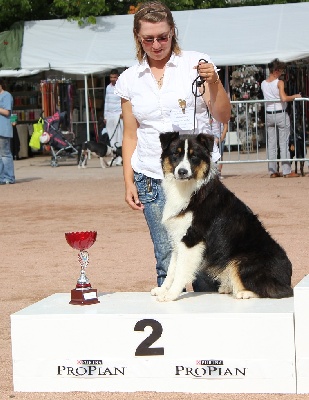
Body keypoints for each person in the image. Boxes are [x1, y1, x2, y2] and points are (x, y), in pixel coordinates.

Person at [115, 1, 230, 289]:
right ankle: (172, 319)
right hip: (153, 179)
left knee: (203, 258)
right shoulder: (129, 79)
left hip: (199, 180)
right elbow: (131, 134)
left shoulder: (198, 65)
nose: (157, 44)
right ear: (138, 38)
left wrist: (214, 83)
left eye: (163, 37)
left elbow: (223, 115)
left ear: (173, 32)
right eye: (149, 39)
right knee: (167, 257)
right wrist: (129, 180)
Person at [261, 58, 301, 178]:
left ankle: (272, 170)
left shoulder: (263, 83)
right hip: (280, 113)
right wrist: (295, 96)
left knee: (271, 144)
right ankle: (286, 171)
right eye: (281, 70)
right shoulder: (279, 82)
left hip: (269, 114)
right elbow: (283, 98)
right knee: (283, 143)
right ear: (276, 71)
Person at [104, 69, 123, 166]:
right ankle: (114, 157)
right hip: (110, 115)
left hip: (118, 114)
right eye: (111, 77)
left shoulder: (121, 87)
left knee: (119, 137)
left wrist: (122, 112)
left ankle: (120, 158)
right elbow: (106, 102)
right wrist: (105, 116)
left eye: (114, 77)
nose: (113, 79)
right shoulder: (108, 88)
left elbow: (124, 101)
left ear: (118, 77)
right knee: (111, 137)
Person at [0, 79, 15, 185]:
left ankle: (8, 177)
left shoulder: (6, 95)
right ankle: (2, 177)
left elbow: (6, 112)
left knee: (5, 154)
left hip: (3, 129)